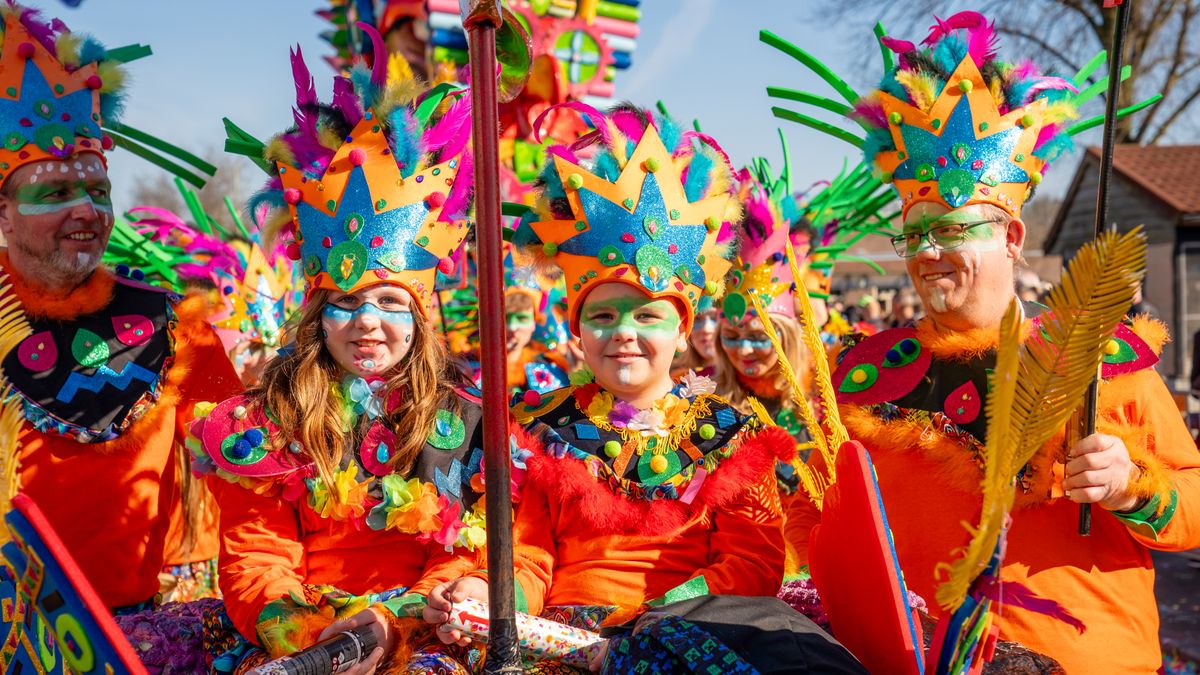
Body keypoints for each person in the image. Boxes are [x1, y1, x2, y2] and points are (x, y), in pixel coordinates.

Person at [784, 14, 1200, 673]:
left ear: (1010, 237)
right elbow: (814, 520)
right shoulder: (863, 380)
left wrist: (1130, 486)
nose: (926, 253)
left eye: (948, 229)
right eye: (913, 233)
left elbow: (1193, 502)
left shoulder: (1098, 358)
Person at [424, 105, 865, 674]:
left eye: (647, 317)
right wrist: (489, 594)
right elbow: (529, 559)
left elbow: (752, 567)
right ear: (577, 331)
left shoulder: (735, 435)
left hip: (692, 638)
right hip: (563, 648)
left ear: (682, 329)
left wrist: (652, 617)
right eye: (603, 316)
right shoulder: (538, 429)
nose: (624, 334)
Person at [189, 38, 485, 673]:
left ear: (420, 314)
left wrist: (415, 615)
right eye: (345, 303)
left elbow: (466, 551)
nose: (367, 323)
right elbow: (257, 555)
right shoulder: (264, 419)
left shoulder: (467, 418)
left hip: (426, 634)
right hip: (304, 636)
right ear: (318, 315)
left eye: (387, 301)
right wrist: (311, 634)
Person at [0, 3, 241, 617]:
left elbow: (247, 479)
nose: (86, 209)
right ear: (3, 214)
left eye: (97, 189)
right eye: (55, 191)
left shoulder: (178, 326)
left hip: (126, 636)